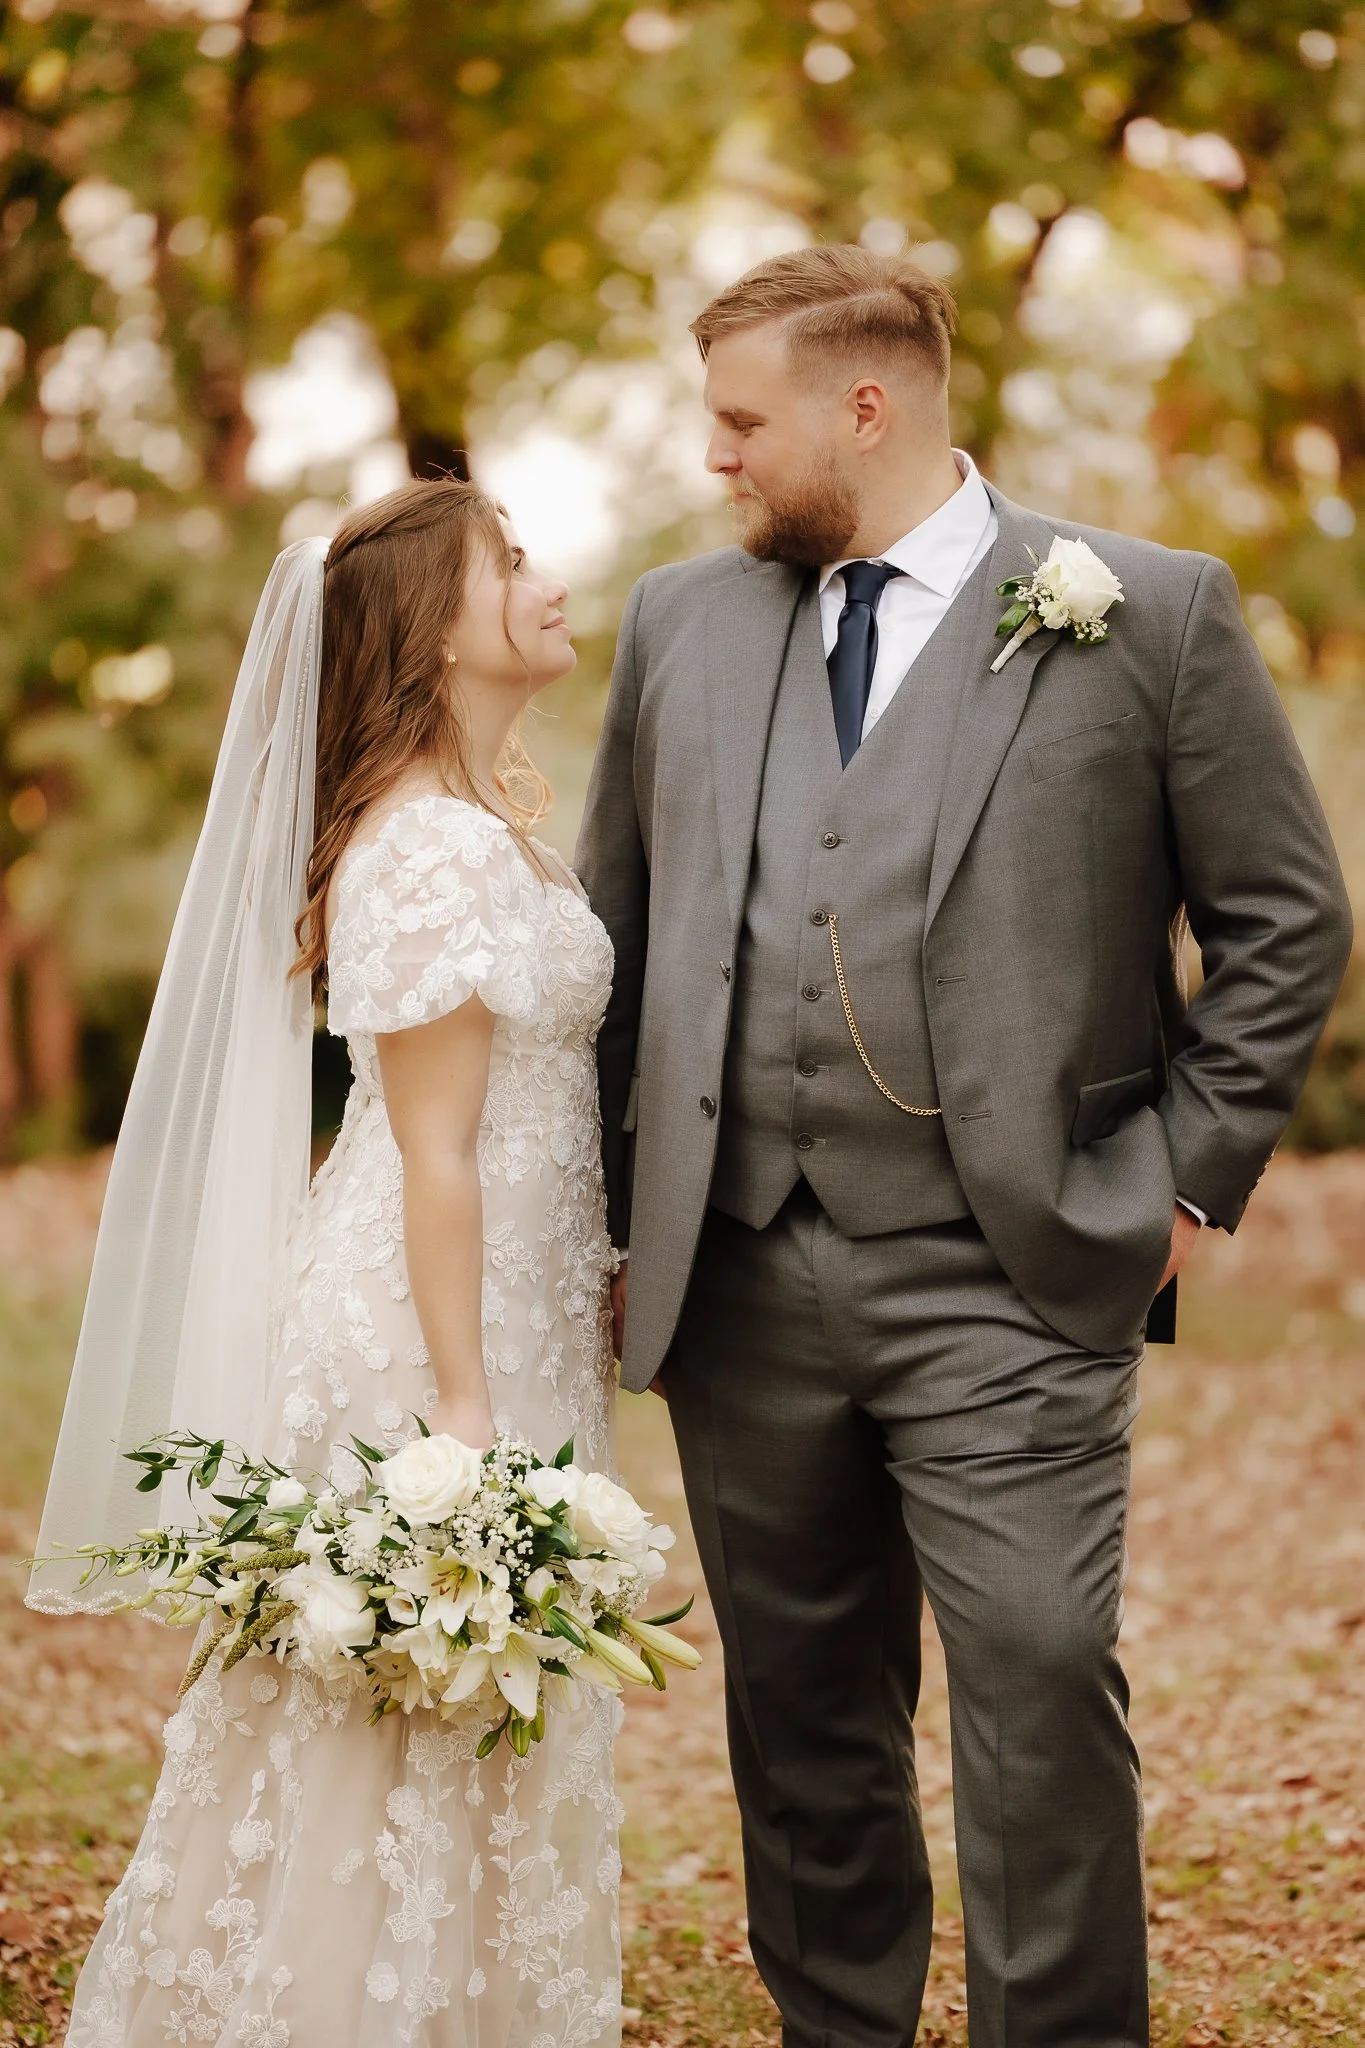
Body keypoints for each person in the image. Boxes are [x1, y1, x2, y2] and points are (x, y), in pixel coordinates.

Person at [576, 246, 1354, 2048]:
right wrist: (616, 1208)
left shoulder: (1144, 611)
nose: (718, 459)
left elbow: (1286, 920)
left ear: (870, 405)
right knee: (803, 1717)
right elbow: (615, 936)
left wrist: (1179, 1180)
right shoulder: (681, 624)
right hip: (743, 1274)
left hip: (1014, 1267)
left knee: (1040, 1686)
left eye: (742, 420)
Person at [28, 480, 627, 2047]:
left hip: (514, 1303)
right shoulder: (425, 851)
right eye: (514, 560)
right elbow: (435, 1147)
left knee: (470, 1713)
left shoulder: (487, 824)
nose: (551, 580)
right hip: (436, 1333)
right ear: (436, 628)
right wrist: (464, 1410)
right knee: (393, 1719)